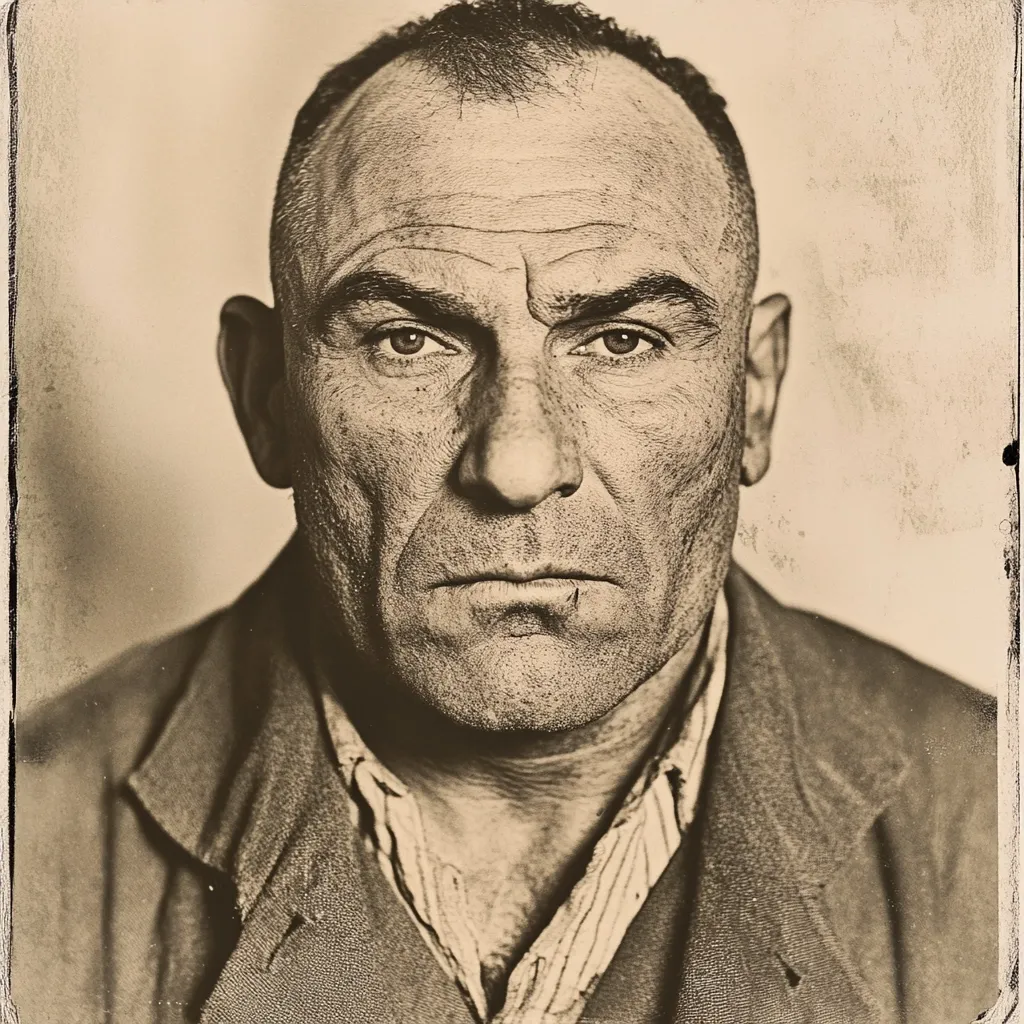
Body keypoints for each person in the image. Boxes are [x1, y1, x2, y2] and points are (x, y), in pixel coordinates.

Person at [12, 1, 1000, 1021]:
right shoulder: (25, 841)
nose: (518, 464)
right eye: (409, 340)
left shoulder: (992, 823)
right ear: (266, 397)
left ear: (752, 391)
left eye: (621, 340)